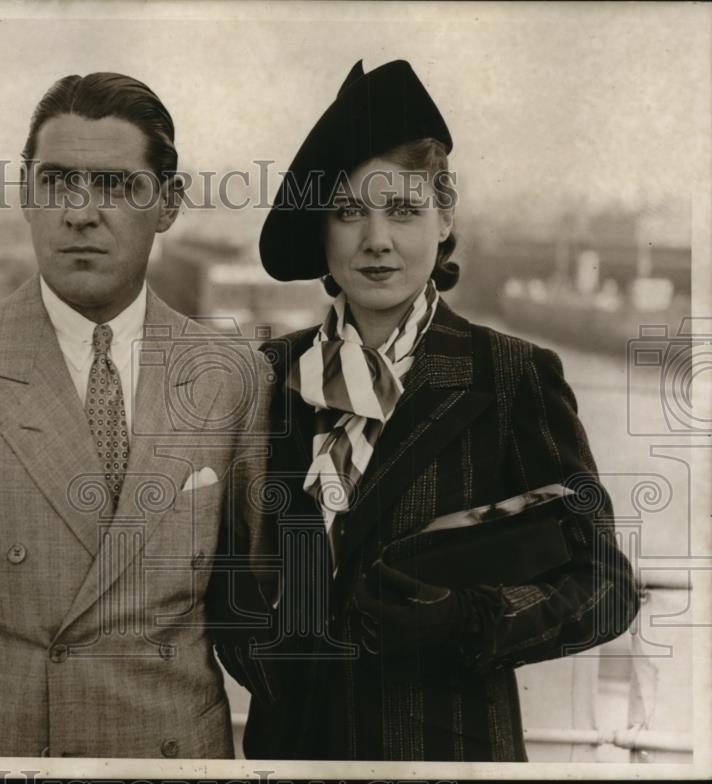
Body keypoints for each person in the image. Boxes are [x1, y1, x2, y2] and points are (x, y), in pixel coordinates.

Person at [0, 72, 270, 758]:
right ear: (25, 196)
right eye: (57, 182)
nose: (80, 213)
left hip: (168, 750)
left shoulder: (234, 376)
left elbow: (256, 587)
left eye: (116, 185)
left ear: (168, 204)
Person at [228, 59, 640, 761]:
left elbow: (605, 584)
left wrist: (465, 618)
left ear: (445, 217)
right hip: (293, 752)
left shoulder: (511, 376)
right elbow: (224, 568)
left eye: (403, 210)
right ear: (322, 229)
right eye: (349, 212)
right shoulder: (269, 376)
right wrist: (264, 659)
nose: (376, 239)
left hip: (449, 755)